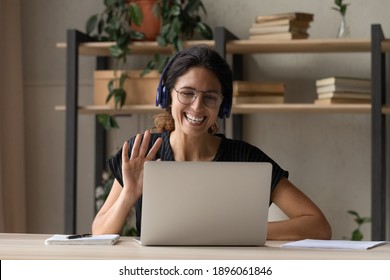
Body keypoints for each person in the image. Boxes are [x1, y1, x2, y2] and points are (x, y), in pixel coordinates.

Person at [92, 44, 332, 240]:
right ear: (167, 95)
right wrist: (129, 194)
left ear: (222, 106)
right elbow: (99, 232)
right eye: (187, 93)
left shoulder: (246, 158)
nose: (197, 106)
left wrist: (242, 232)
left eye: (210, 97)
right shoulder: (142, 151)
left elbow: (319, 226)